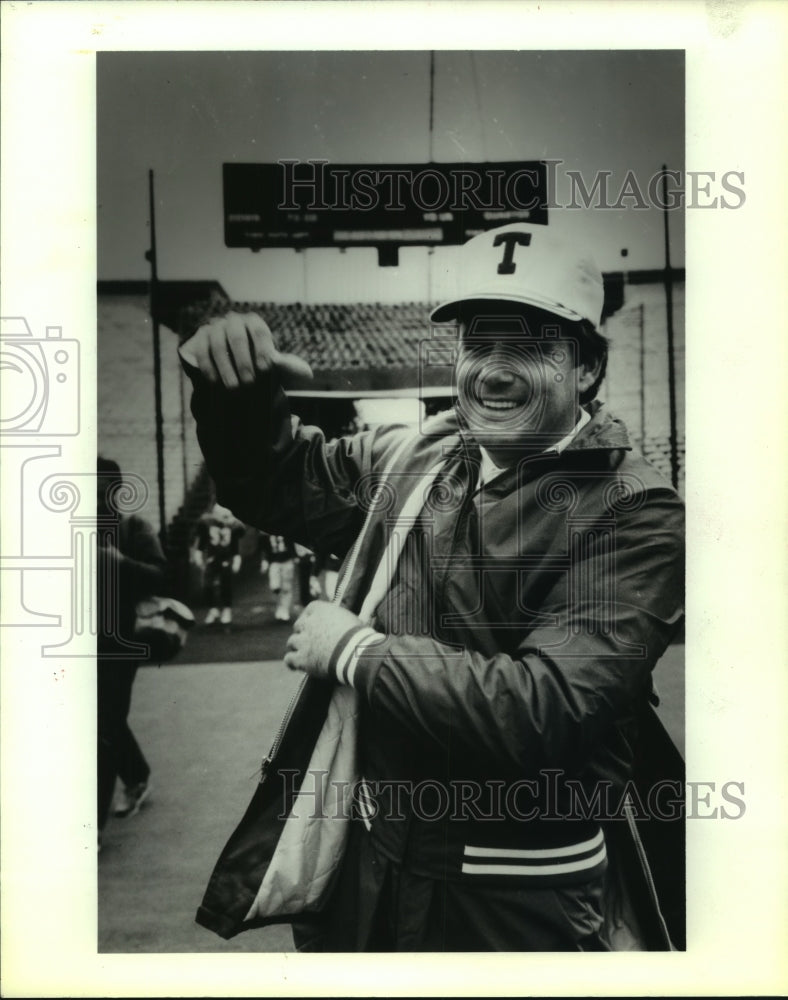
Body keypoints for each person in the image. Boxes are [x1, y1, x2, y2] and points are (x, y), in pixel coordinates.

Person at [180, 222, 685, 951]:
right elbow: (276, 482)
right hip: (374, 869)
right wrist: (238, 393)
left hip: (521, 896)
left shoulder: (634, 505)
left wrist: (355, 652)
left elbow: (545, 710)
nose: (495, 370)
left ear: (587, 369)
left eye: (532, 346)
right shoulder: (418, 454)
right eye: (478, 343)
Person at [96, 457, 167, 840]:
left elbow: (160, 575)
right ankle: (137, 776)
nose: (93, 499)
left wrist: (119, 562)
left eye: (101, 489)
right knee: (103, 721)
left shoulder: (134, 529)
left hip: (122, 642)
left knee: (102, 725)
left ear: (116, 490)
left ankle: (91, 826)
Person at [194, 502, 244, 625]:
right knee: (207, 585)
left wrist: (236, 559)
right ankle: (213, 609)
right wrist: (198, 555)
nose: (227, 519)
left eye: (228, 516)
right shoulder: (207, 524)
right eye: (225, 516)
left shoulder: (233, 527)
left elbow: (235, 546)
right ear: (215, 515)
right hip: (211, 559)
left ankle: (227, 609)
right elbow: (202, 543)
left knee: (226, 584)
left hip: (226, 560)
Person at [258, 532, 298, 622]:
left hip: (287, 561)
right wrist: (264, 561)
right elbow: (263, 549)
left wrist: (295, 556)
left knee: (286, 587)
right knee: (275, 587)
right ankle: (279, 606)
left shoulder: (286, 530)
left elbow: (291, 544)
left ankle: (284, 610)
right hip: (274, 562)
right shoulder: (264, 535)